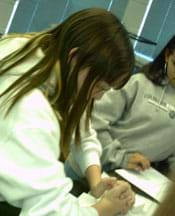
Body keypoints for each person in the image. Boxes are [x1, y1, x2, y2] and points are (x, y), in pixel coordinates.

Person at [0, 8, 135, 216]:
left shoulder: (45, 53)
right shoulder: (30, 110)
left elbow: (82, 129)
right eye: (99, 86)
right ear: (75, 57)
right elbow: (50, 211)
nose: (98, 97)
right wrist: (104, 209)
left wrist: (96, 181)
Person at [92, 35, 175, 173]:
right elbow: (94, 122)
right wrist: (120, 157)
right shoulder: (139, 83)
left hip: (140, 177)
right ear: (167, 56)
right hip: (96, 164)